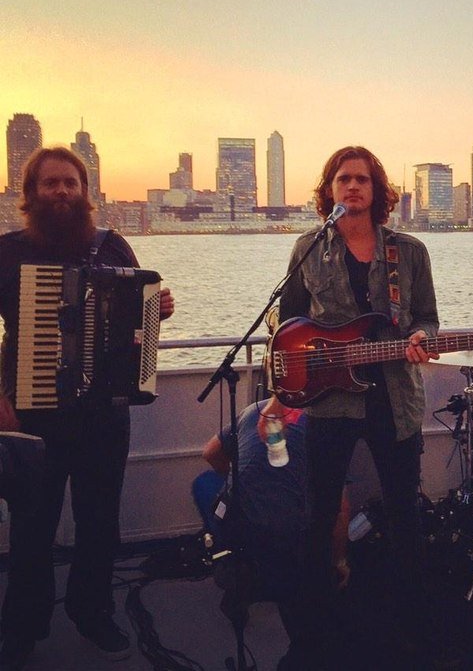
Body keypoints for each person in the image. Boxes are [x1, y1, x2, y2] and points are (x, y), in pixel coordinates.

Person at [0, 147, 174, 670]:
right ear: (31, 193)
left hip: (103, 413)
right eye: (50, 183)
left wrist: (158, 308)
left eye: (70, 183)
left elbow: (139, 317)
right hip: (31, 415)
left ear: (85, 191)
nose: (61, 191)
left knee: (100, 523)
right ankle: (23, 628)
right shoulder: (8, 252)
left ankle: (93, 613)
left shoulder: (112, 246)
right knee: (32, 527)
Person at [277, 145, 440, 669]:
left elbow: (428, 318)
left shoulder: (409, 252)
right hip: (330, 401)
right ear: (330, 189)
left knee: (404, 514)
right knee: (320, 514)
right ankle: (315, 631)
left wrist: (421, 337)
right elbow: (287, 324)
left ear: (377, 190)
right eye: (343, 179)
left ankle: (411, 628)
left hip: (395, 400)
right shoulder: (308, 248)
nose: (352, 186)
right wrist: (295, 374)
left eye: (362, 179)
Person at [195, 397, 349, 656]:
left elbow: (210, 453)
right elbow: (340, 509)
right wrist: (339, 561)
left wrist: (241, 477)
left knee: (203, 484)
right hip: (288, 534)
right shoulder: (326, 427)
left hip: (236, 522)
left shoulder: (253, 410)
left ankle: (234, 565)